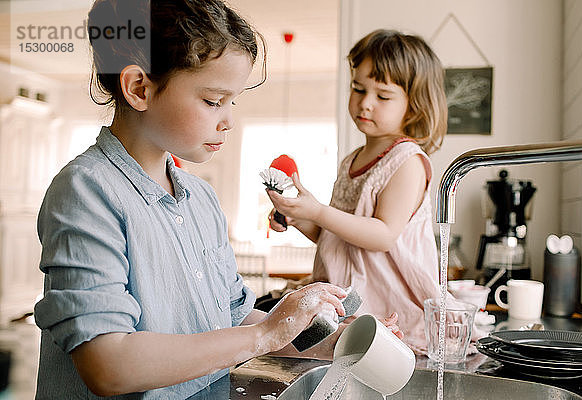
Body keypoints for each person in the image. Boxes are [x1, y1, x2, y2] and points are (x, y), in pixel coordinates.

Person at [33, 2, 403, 398]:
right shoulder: (86, 192)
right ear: (139, 88)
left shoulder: (200, 200)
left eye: (232, 102)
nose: (228, 120)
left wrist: (327, 338)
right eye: (213, 100)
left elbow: (234, 316)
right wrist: (265, 333)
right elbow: (108, 364)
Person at [266, 29, 448, 354]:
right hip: (347, 313)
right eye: (358, 88)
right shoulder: (351, 161)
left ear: (414, 105)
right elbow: (337, 238)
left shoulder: (407, 162)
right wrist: (298, 216)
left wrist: (319, 211)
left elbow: (382, 236)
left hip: (392, 316)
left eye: (383, 96)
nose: (365, 103)